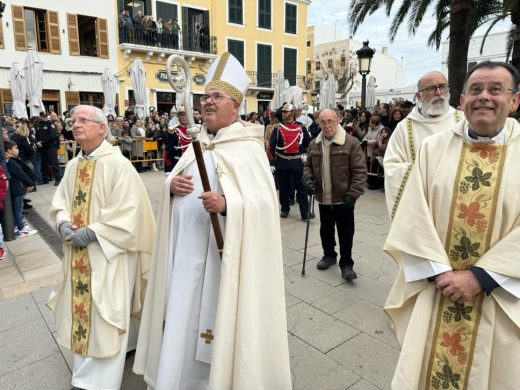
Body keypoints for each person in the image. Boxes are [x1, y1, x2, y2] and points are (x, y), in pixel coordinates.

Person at [133, 52, 291, 390]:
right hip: (187, 258)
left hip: (226, 263)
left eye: (216, 97)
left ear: (235, 106)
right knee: (183, 320)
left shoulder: (248, 147)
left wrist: (228, 204)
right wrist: (171, 187)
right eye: (205, 97)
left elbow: (264, 205)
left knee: (221, 322)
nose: (207, 103)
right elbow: (175, 186)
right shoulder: (197, 144)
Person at [384, 61, 520, 389]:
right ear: (463, 101)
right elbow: (412, 215)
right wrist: (442, 273)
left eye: (495, 89)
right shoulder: (432, 149)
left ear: (514, 101)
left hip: (499, 296)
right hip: (439, 290)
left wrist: (479, 276)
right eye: (475, 90)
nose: (484, 97)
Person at [47, 105, 155, 390]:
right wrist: (62, 223)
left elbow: (129, 211)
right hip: (78, 255)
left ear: (101, 127)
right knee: (84, 312)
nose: (76, 124)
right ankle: (95, 367)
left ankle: (97, 383)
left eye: (83, 120)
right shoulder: (73, 165)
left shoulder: (118, 164)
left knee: (107, 313)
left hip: (109, 253)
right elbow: (60, 201)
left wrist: (94, 232)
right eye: (73, 120)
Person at [384, 71, 464, 217]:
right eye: (432, 88)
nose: (438, 93)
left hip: (458, 205)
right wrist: (426, 173)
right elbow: (392, 167)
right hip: (421, 206)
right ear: (419, 95)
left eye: (442, 87)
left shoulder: (463, 121)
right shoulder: (405, 128)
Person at [303, 109, 367, 281]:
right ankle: (329, 255)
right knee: (326, 230)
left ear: (338, 120)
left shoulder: (351, 142)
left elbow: (360, 171)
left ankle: (346, 264)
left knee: (346, 233)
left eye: (330, 121)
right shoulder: (314, 144)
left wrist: (353, 194)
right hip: (323, 198)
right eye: (322, 122)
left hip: (344, 199)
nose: (326, 125)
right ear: (318, 123)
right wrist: (307, 179)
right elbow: (308, 165)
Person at [269, 103, 310, 220]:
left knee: (301, 188)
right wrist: (272, 163)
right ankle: (285, 209)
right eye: (282, 112)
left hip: (297, 162)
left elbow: (308, 143)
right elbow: (271, 148)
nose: (283, 113)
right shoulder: (278, 129)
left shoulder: (301, 128)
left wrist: (306, 154)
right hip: (282, 162)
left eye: (285, 112)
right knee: (284, 188)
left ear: (292, 113)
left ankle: (305, 212)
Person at [4, 140, 37, 238]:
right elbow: (21, 174)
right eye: (16, 148)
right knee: (17, 210)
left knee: (17, 209)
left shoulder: (10, 160)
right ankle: (21, 229)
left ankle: (16, 226)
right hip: (17, 190)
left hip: (16, 189)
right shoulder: (10, 162)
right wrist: (30, 183)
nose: (18, 150)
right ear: (9, 150)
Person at [163, 105, 191, 172]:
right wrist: (169, 169)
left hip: (192, 162)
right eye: (182, 115)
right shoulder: (173, 131)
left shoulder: (194, 130)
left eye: (186, 115)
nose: (184, 117)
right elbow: (169, 151)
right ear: (178, 117)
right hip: (178, 162)